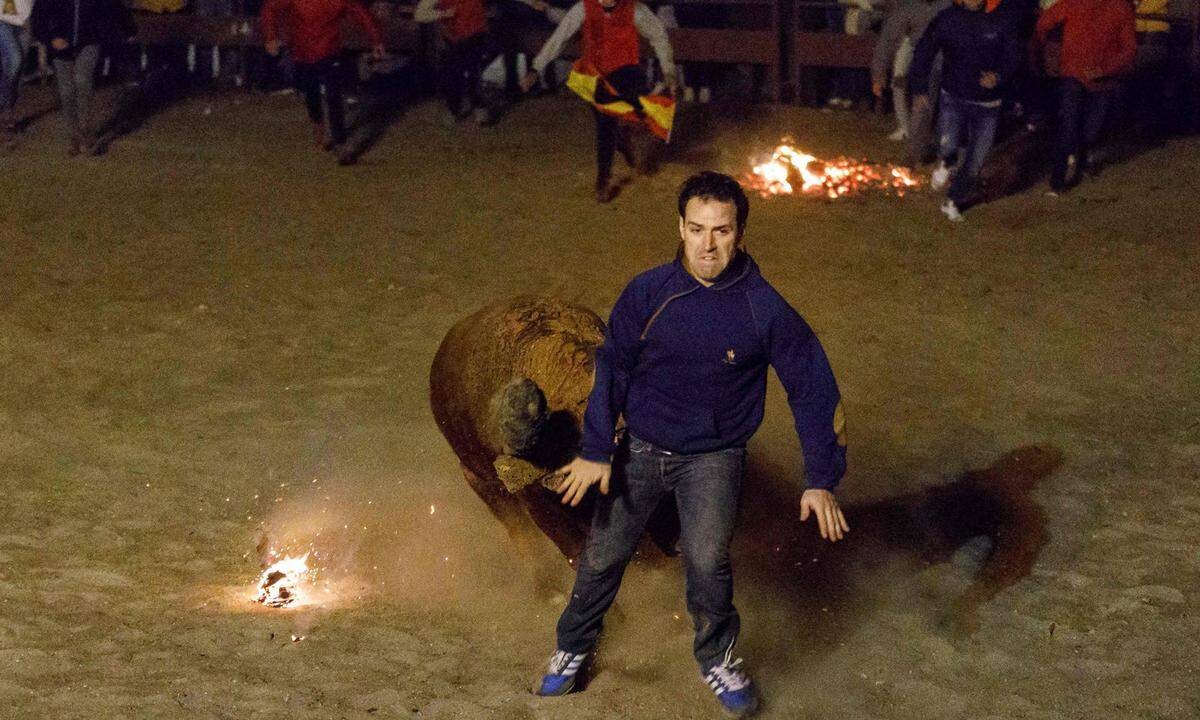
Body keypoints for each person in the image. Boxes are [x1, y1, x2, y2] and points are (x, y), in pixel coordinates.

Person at [532, 171, 849, 718]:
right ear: (680, 227)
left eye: (721, 231)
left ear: (740, 233)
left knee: (707, 561)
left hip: (714, 457)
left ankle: (717, 658)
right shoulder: (648, 293)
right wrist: (596, 450)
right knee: (604, 554)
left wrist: (821, 477)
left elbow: (813, 384)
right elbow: (612, 368)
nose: (708, 245)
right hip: (643, 448)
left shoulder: (762, 307)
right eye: (697, 229)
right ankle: (572, 648)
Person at [521, 0, 677, 203]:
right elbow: (560, 37)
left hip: (626, 71)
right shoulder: (583, 9)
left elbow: (659, 36)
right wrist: (535, 68)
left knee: (640, 112)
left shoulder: (634, 9)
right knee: (605, 124)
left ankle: (621, 137)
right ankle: (603, 177)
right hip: (597, 74)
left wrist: (669, 72)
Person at [909, 0, 1021, 221]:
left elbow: (1014, 55)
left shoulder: (1000, 21)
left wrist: (998, 76)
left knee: (975, 160)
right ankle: (946, 163)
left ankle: (953, 200)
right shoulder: (948, 20)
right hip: (954, 97)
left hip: (988, 104)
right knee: (948, 145)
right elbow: (925, 50)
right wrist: (920, 87)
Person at [260, 0, 385, 162]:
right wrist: (270, 36)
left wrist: (376, 40)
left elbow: (361, 13)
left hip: (328, 51)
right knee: (312, 92)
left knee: (333, 95)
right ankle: (319, 125)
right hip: (303, 52)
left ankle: (340, 142)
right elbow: (269, 8)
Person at [1032, 0, 1136, 193]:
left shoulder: (1120, 7)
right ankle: (1058, 177)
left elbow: (1129, 48)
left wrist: (1104, 70)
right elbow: (1045, 23)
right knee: (1069, 125)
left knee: (1090, 131)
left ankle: (1079, 159)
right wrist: (1039, 49)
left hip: (1103, 81)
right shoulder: (1075, 3)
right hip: (1073, 75)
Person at [31, 0, 135, 156]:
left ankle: (86, 131)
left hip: (90, 40)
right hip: (60, 43)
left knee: (83, 80)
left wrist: (128, 29)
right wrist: (51, 38)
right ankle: (74, 134)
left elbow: (113, 5)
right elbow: (39, 16)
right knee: (66, 91)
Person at [871, 0, 949, 142]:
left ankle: (942, 135)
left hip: (946, 53)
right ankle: (908, 130)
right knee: (902, 85)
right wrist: (879, 73)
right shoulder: (907, 7)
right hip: (917, 50)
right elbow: (887, 39)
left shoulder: (949, 5)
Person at [414, 0, 494, 125]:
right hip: (455, 37)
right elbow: (419, 14)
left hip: (475, 33)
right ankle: (456, 108)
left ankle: (477, 106)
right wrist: (442, 14)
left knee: (473, 71)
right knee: (455, 73)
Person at [0, 0, 32, 144]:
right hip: (2, 17)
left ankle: (7, 114)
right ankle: (4, 108)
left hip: (24, 17)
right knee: (15, 59)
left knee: (18, 71)